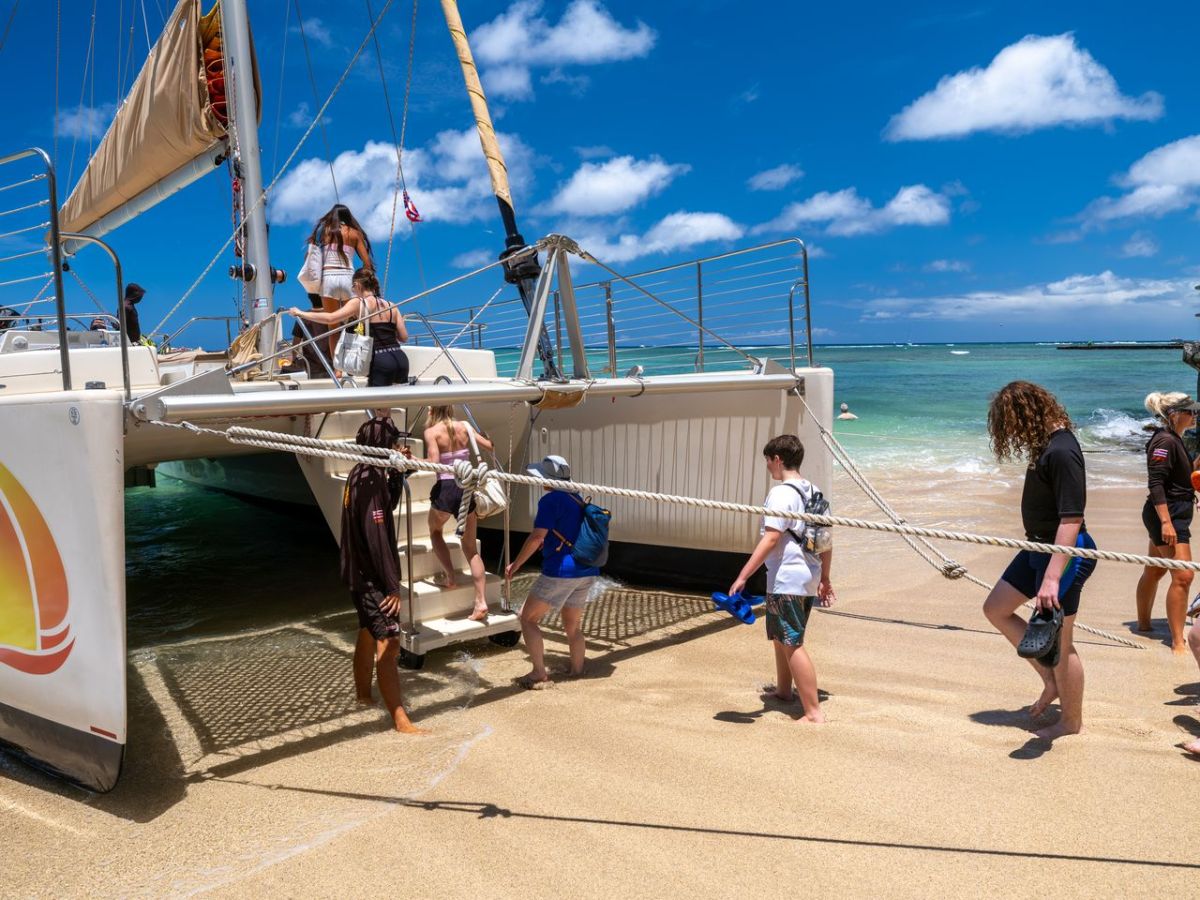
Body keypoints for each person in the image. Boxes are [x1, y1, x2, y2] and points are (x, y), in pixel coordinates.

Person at [983, 381, 1095, 741]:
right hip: (1036, 549)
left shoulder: (1062, 450)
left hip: (1064, 555)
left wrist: (1051, 578)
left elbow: (1072, 518)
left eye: (1011, 422)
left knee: (1062, 643)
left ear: (1027, 413)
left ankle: (1071, 722)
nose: (1010, 431)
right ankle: (1050, 679)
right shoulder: (1045, 446)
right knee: (995, 608)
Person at [728, 434, 835, 724]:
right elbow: (826, 540)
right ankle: (784, 691)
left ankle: (813, 712)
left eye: (768, 460)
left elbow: (772, 537)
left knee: (792, 641)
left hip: (787, 576)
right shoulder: (814, 490)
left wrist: (742, 575)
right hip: (808, 576)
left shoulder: (781, 493)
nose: (767, 466)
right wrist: (825, 578)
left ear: (777, 459)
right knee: (781, 636)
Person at [340, 415, 426, 735]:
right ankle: (401, 721)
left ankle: (363, 696)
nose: (397, 446)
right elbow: (377, 538)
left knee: (367, 631)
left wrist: (398, 472)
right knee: (389, 643)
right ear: (384, 445)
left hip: (355, 570)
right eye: (393, 443)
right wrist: (392, 587)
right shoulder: (370, 479)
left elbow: (384, 505)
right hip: (370, 575)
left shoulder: (360, 472)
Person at [505, 455, 598, 689]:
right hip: (586, 570)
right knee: (573, 626)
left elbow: (537, 537)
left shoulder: (551, 501)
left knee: (528, 619)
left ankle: (538, 673)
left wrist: (516, 565)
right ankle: (577, 670)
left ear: (546, 479)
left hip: (561, 571)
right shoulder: (576, 498)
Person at [1134, 392, 1200, 653]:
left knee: (1155, 570)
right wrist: (1166, 523)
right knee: (1183, 575)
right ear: (1174, 415)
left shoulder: (1175, 439)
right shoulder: (1164, 440)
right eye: (1190, 411)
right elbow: (1156, 483)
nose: (1195, 415)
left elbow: (1182, 474)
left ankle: (1144, 624)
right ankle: (1177, 642)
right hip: (1167, 515)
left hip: (1173, 513)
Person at [423, 405, 493, 621]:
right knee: (471, 549)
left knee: (435, 531)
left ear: (432, 411)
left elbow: (434, 463)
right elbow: (489, 446)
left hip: (446, 489)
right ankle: (481, 601)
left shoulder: (431, 432)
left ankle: (450, 576)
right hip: (466, 488)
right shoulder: (464, 426)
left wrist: (412, 461)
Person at [288, 267, 408, 388]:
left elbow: (331, 318)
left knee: (378, 406)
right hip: (400, 359)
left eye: (353, 288)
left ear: (357, 285)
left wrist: (300, 313)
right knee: (394, 402)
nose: (353, 292)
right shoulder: (392, 306)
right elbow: (404, 337)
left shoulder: (358, 303)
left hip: (380, 361)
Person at [306, 204, 374, 359]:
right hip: (349, 278)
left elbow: (311, 256)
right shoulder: (355, 233)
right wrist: (363, 279)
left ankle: (338, 369)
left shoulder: (324, 231)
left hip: (328, 278)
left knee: (333, 326)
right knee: (359, 323)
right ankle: (357, 361)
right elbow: (367, 264)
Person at [280, 292, 331, 377]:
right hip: (331, 363)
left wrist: (293, 358)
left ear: (309, 298)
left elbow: (296, 342)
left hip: (312, 365)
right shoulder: (330, 316)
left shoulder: (303, 317)